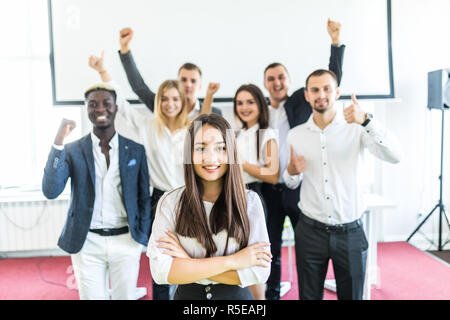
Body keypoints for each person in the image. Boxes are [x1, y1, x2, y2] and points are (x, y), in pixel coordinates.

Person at [89, 53, 206, 300]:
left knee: (193, 260)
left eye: (175, 98)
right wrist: (102, 71)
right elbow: (120, 101)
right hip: (161, 201)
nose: (170, 103)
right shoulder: (148, 125)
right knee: (162, 263)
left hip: (191, 200)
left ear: (183, 101)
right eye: (164, 98)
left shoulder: (194, 128)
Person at [283, 69, 400, 300]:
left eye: (326, 88)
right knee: (308, 296)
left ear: (337, 92)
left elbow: (395, 156)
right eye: (315, 90)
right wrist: (291, 172)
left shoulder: (356, 127)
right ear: (307, 95)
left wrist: (367, 120)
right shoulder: (295, 135)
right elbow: (291, 182)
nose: (321, 94)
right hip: (310, 231)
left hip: (350, 231)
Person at [261, 18, 346, 300]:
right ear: (265, 83)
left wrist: (335, 43)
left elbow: (330, 79)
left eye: (281, 77)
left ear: (289, 80)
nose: (277, 83)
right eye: (271, 79)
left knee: (307, 248)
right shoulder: (257, 108)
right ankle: (272, 293)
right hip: (270, 190)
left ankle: (308, 291)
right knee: (270, 246)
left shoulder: (301, 99)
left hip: (300, 189)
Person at [42, 84, 151, 300]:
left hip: (126, 240)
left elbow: (143, 197)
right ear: (86, 109)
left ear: (115, 108)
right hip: (88, 242)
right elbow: (51, 190)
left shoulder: (135, 150)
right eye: (93, 105)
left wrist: (141, 236)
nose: (100, 109)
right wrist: (58, 141)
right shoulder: (73, 150)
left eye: (106, 103)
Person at [147, 113, 271, 300]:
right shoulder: (170, 202)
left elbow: (258, 273)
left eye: (220, 148)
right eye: (201, 148)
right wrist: (233, 261)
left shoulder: (250, 202)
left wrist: (187, 263)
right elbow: (160, 272)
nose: (210, 158)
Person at [117, 27, 222, 119]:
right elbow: (139, 87)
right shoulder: (163, 106)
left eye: (193, 81)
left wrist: (209, 96)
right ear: (177, 83)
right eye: (184, 80)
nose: (188, 84)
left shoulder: (215, 113)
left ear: (200, 86)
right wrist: (125, 48)